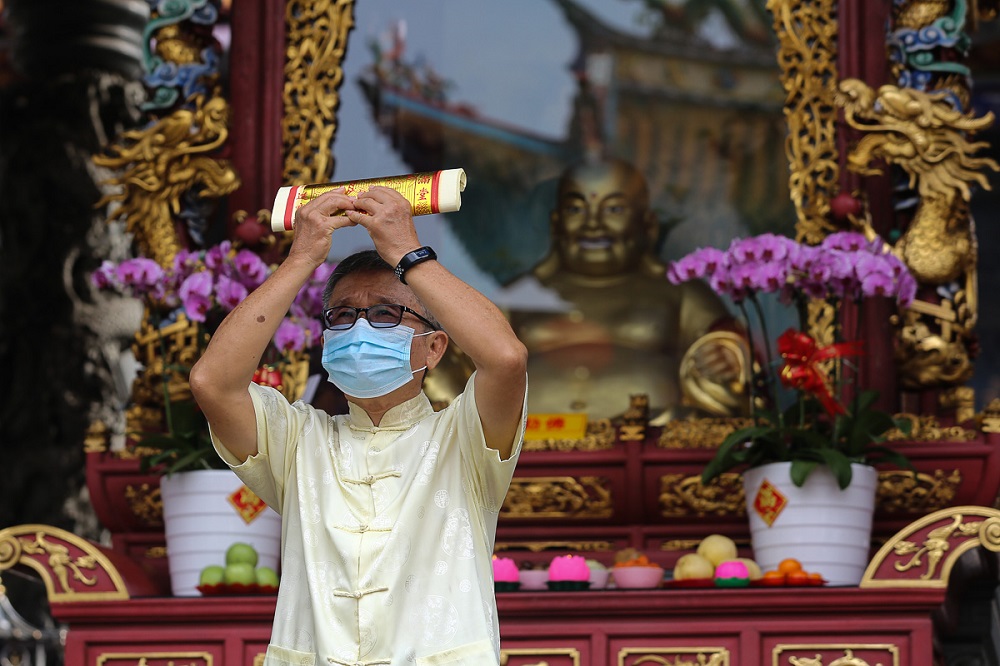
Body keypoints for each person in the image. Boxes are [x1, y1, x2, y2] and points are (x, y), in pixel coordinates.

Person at [189, 186, 528, 666]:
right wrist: (301, 259)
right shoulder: (299, 443)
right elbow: (212, 382)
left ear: (434, 348)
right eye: (343, 316)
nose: (360, 330)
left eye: (387, 314)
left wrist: (406, 252)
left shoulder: (463, 439)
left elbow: (506, 357)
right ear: (325, 342)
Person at [508, 158, 748, 424]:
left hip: (654, 441)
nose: (593, 223)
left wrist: (722, 358)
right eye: (576, 209)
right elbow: (468, 364)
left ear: (648, 225)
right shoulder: (516, 295)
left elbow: (729, 346)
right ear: (556, 224)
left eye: (613, 209)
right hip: (527, 446)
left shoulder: (680, 291)